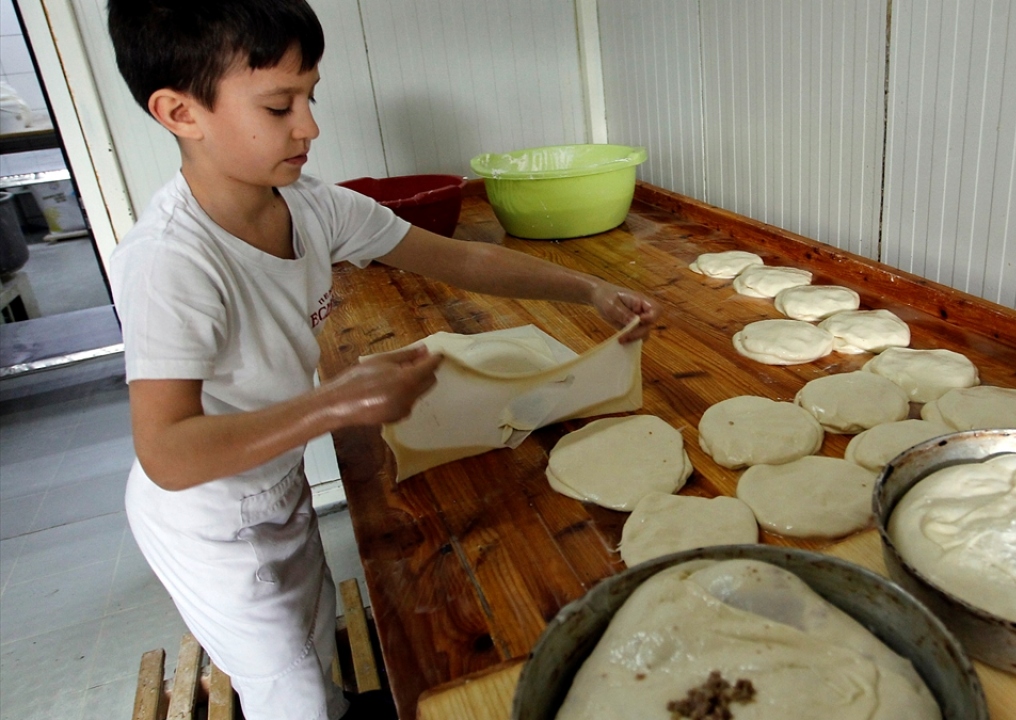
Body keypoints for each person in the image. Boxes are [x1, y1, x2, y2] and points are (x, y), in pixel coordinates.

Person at [105, 2, 658, 718]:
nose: (309, 126)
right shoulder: (169, 263)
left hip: (275, 487)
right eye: (280, 106)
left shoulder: (307, 206)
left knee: (311, 647)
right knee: (291, 691)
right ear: (181, 113)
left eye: (311, 96)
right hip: (209, 525)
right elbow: (168, 452)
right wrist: (333, 403)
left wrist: (589, 288)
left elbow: (457, 258)